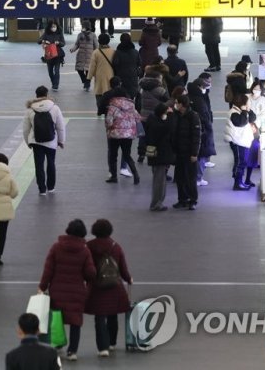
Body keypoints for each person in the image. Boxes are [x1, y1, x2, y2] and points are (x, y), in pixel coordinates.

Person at [38, 219, 97, 362]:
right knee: (75, 322)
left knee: (57, 319)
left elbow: (48, 270)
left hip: (57, 290)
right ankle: (72, 352)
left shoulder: (56, 247)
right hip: (77, 292)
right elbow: (91, 273)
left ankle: (57, 346)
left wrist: (42, 286)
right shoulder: (84, 250)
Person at [85, 219, 133, 356]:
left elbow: (86, 267)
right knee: (113, 315)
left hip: (96, 287)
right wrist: (129, 279)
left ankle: (103, 348)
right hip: (114, 287)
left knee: (99, 318)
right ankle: (112, 343)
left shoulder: (89, 246)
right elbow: (123, 268)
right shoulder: (115, 246)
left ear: (94, 230)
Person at [23, 86, 66, 196]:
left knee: (39, 165)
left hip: (36, 141)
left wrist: (28, 142)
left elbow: (26, 128)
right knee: (51, 163)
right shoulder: (54, 108)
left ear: (36, 95)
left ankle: (42, 189)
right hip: (51, 141)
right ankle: (51, 187)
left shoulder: (30, 109)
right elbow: (60, 126)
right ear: (47, 95)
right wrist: (61, 140)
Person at [105, 89, 142, 185]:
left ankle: (114, 176)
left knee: (113, 156)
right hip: (128, 135)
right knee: (127, 155)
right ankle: (136, 174)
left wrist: (109, 128)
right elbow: (138, 117)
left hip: (114, 134)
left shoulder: (112, 105)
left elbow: (109, 121)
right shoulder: (131, 105)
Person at [144, 103, 176, 211]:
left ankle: (157, 202)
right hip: (160, 156)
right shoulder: (159, 125)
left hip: (155, 155)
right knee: (159, 181)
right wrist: (171, 115)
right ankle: (156, 203)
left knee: (159, 179)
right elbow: (169, 127)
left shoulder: (152, 120)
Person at [172, 95, 201, 210]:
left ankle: (193, 200)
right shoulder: (176, 115)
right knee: (179, 177)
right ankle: (182, 199)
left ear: (182, 104)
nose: (175, 105)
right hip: (179, 152)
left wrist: (194, 153)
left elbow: (196, 136)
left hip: (189, 153)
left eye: (177, 103)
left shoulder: (193, 116)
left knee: (190, 178)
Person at [225, 94, 256, 191]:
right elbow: (241, 122)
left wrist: (248, 110)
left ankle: (240, 182)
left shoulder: (241, 111)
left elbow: (252, 118)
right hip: (237, 142)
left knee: (243, 162)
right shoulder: (234, 113)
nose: (249, 104)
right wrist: (245, 111)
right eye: (247, 102)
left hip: (242, 141)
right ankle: (237, 183)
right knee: (240, 162)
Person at [188, 79, 215, 187]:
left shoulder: (191, 97)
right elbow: (204, 116)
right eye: (204, 88)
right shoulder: (199, 101)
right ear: (199, 87)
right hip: (201, 131)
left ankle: (195, 177)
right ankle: (198, 178)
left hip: (195, 131)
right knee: (201, 156)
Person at [244, 83, 265, 187]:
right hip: (245, 127)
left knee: (253, 153)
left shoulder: (262, 99)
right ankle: (239, 179)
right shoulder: (246, 97)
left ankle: (248, 178)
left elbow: (263, 113)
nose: (256, 90)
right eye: (254, 88)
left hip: (255, 128)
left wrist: (255, 123)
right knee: (244, 152)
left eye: (258, 89)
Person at [87, 33, 115, 113]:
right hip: (111, 76)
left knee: (99, 93)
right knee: (109, 92)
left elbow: (92, 67)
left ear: (99, 41)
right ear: (108, 41)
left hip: (99, 76)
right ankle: (109, 109)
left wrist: (89, 78)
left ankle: (100, 109)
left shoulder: (96, 52)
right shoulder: (113, 51)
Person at [38, 20, 66, 92]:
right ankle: (53, 82)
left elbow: (63, 43)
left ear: (57, 27)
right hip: (49, 55)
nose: (53, 28)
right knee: (50, 71)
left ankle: (56, 85)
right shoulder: (46, 34)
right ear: (49, 27)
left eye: (54, 26)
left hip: (57, 55)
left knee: (57, 71)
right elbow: (39, 40)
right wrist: (44, 41)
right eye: (52, 27)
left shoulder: (59, 33)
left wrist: (58, 42)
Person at [70, 22, 98, 91]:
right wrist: (73, 49)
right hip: (81, 55)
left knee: (88, 71)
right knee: (79, 69)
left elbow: (96, 46)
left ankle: (87, 84)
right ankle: (85, 81)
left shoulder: (93, 35)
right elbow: (77, 44)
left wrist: (96, 54)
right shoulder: (80, 35)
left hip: (90, 56)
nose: (82, 27)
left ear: (87, 27)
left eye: (83, 26)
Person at [112, 33, 140, 100]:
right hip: (133, 76)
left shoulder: (118, 52)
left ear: (121, 40)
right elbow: (139, 63)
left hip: (121, 77)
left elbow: (115, 63)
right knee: (132, 95)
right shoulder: (135, 52)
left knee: (122, 96)